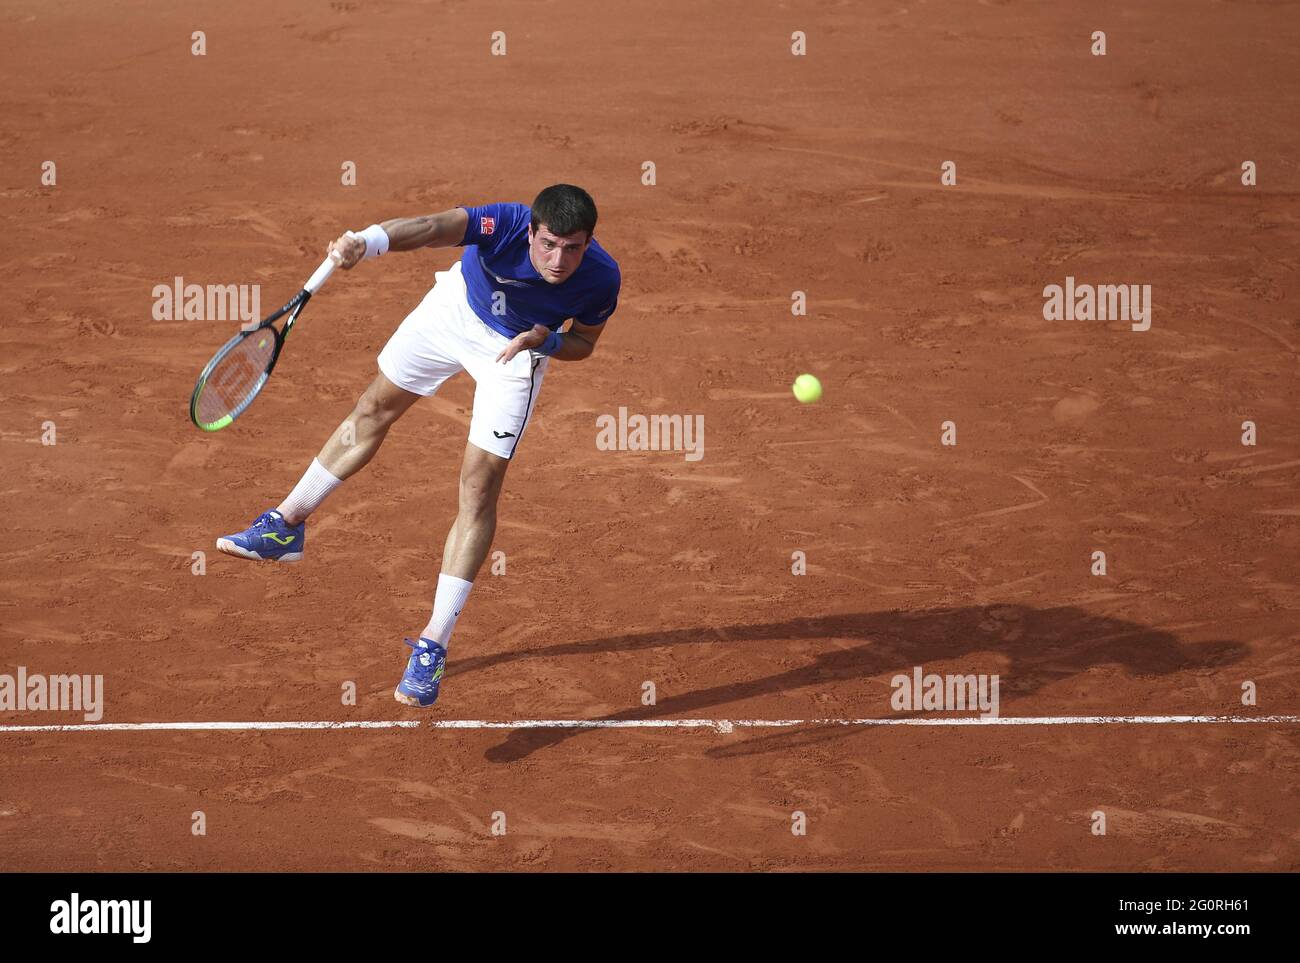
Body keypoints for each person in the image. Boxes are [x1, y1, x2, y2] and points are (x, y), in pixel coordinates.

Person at [215, 184, 620, 707]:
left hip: (514, 353)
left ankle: (432, 643)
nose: (559, 259)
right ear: (533, 230)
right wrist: (369, 240)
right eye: (548, 244)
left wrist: (550, 341)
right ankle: (285, 526)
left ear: (589, 242)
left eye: (573, 248)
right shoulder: (505, 222)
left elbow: (585, 342)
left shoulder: (601, 278)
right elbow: (434, 227)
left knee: (478, 487)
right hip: (451, 313)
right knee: (372, 409)